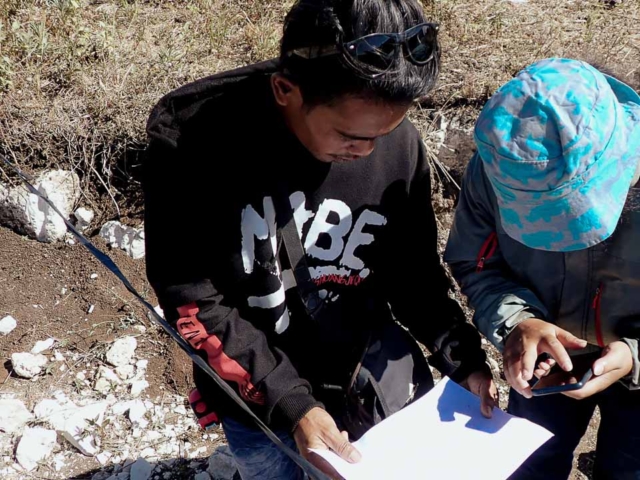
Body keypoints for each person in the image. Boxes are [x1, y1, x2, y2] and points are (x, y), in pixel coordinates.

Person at [142, 0, 497, 478]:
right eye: (351, 136)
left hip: (358, 369)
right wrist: (291, 404)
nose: (367, 151)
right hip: (253, 391)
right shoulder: (196, 153)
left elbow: (413, 275)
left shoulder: (397, 145)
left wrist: (465, 361)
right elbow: (195, 304)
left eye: (384, 133)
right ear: (286, 90)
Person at [445, 57, 640, 480]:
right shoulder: (499, 167)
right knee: (531, 464)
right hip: (544, 365)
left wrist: (635, 355)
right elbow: (474, 261)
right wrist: (519, 324)